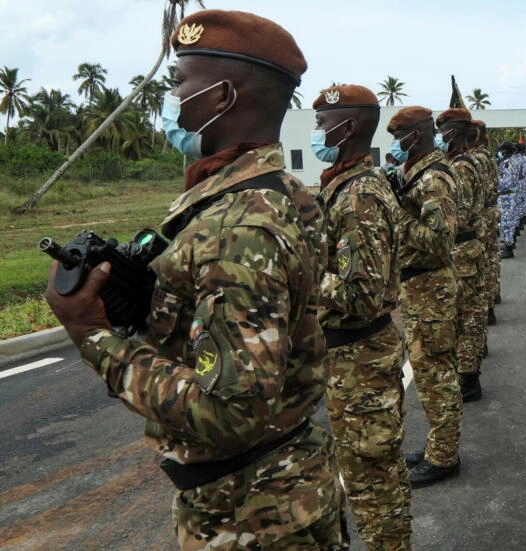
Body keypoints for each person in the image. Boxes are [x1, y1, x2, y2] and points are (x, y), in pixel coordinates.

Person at [44, 10, 349, 549]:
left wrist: (92, 336)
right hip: (276, 487)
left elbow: (230, 414)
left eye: (180, 83)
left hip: (250, 513)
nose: (172, 99)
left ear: (221, 98)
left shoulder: (238, 226)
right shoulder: (278, 192)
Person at [311, 84, 411, 550]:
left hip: (361, 360)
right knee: (365, 475)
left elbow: (362, 296)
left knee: (373, 482)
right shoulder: (345, 186)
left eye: (322, 124)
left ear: (347, 128)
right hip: (350, 358)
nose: (317, 133)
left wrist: (302, 274)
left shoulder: (360, 197)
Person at [387, 106, 463, 488]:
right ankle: (439, 443)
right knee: (430, 371)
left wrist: (398, 214)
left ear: (413, 136)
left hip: (431, 286)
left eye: (396, 136)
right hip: (420, 286)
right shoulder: (415, 173)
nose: (393, 144)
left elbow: (438, 241)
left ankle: (444, 455)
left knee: (435, 374)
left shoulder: (433, 178)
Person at [436, 108, 488, 402]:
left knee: (467, 317)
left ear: (452, 134)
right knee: (467, 314)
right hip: (464, 248)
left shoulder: (462, 167)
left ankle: (468, 379)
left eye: (441, 131)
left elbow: (462, 213)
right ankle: (469, 370)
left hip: (463, 249)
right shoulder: (457, 163)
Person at [471, 119, 501, 327]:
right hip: (489, 209)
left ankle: (487, 304)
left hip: (482, 212)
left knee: (483, 261)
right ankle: (492, 296)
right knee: (491, 255)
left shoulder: (476, 158)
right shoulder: (486, 155)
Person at [497, 141, 521, 258]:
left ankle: (508, 248)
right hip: (510, 194)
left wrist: (495, 181)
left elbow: (507, 181)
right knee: (509, 221)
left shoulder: (508, 163)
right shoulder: (513, 161)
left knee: (506, 223)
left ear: (505, 151)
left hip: (506, 195)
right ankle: (508, 243)